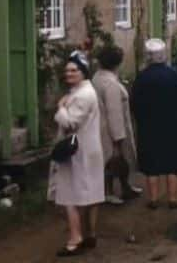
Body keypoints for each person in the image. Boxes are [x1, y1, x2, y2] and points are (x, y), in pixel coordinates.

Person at [48, 51, 104, 257]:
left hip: (77, 152)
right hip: (88, 148)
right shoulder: (82, 91)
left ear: (83, 72)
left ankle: (75, 239)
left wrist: (60, 108)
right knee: (91, 194)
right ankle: (90, 234)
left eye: (74, 70)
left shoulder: (82, 95)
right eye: (67, 71)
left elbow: (71, 122)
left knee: (69, 195)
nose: (69, 74)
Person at [132, 39, 177, 209]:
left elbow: (135, 103)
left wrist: (140, 120)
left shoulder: (142, 78)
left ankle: (153, 199)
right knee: (172, 164)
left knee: (152, 165)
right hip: (173, 126)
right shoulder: (174, 75)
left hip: (149, 128)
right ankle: (172, 198)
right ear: (163, 55)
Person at [92, 45, 141, 206]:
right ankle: (109, 192)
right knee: (114, 160)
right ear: (117, 63)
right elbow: (114, 112)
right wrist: (118, 138)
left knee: (114, 161)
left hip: (99, 126)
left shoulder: (97, 78)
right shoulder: (110, 83)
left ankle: (124, 187)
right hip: (111, 130)